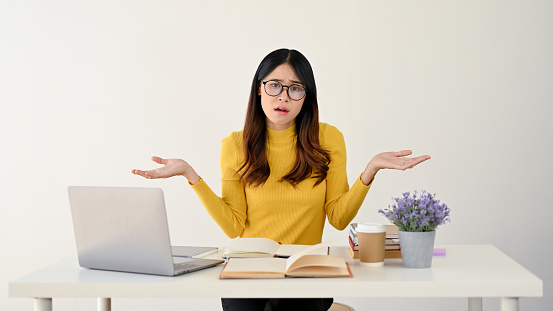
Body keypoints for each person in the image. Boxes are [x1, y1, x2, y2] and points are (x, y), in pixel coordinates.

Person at [132, 48, 430, 311]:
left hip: (307, 267)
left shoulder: (328, 138)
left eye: (295, 88)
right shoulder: (235, 145)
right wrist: (191, 175)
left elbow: (338, 219)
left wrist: (369, 172)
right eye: (274, 85)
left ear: (306, 96)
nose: (283, 97)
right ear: (259, 90)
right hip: (251, 266)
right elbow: (233, 226)